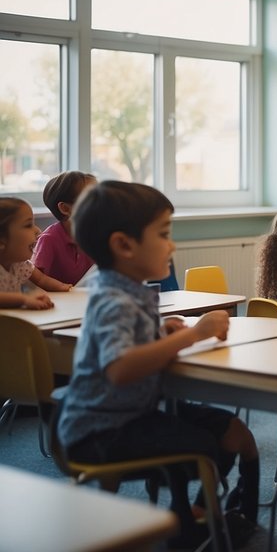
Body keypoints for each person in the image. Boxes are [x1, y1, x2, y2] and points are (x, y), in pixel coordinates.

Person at [56, 181, 259, 549]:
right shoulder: (115, 299)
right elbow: (119, 368)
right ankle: (191, 529)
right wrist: (192, 335)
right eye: (164, 234)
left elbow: (127, 345)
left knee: (229, 430)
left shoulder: (126, 289)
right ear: (124, 245)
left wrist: (160, 333)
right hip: (101, 430)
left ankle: (191, 520)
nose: (173, 244)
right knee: (203, 446)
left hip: (127, 416)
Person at [33, 170, 97, 286]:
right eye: (92, 199)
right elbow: (35, 281)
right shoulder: (49, 240)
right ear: (65, 209)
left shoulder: (96, 235)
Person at [0, 197, 64, 309]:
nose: (38, 230)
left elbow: (41, 279)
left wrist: (64, 287)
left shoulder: (20, 264)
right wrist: (24, 299)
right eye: (28, 225)